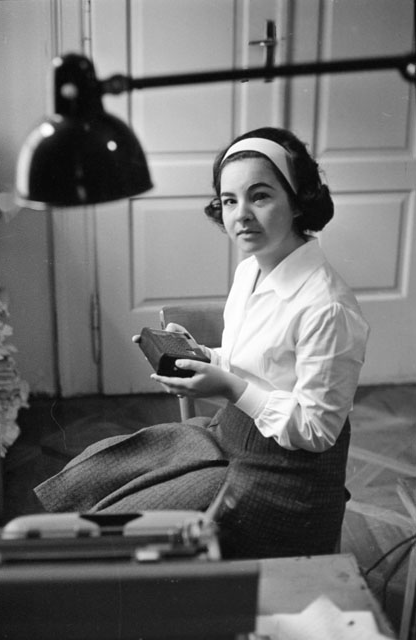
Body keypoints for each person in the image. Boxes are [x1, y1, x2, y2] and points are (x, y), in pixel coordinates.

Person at [34, 127, 369, 559]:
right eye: (229, 201)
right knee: (101, 469)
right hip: (230, 437)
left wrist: (227, 387)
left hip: (289, 479)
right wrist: (202, 357)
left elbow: (316, 431)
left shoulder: (327, 306)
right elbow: (255, 365)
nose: (241, 215)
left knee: (130, 529)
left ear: (298, 200)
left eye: (260, 196)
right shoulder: (251, 270)